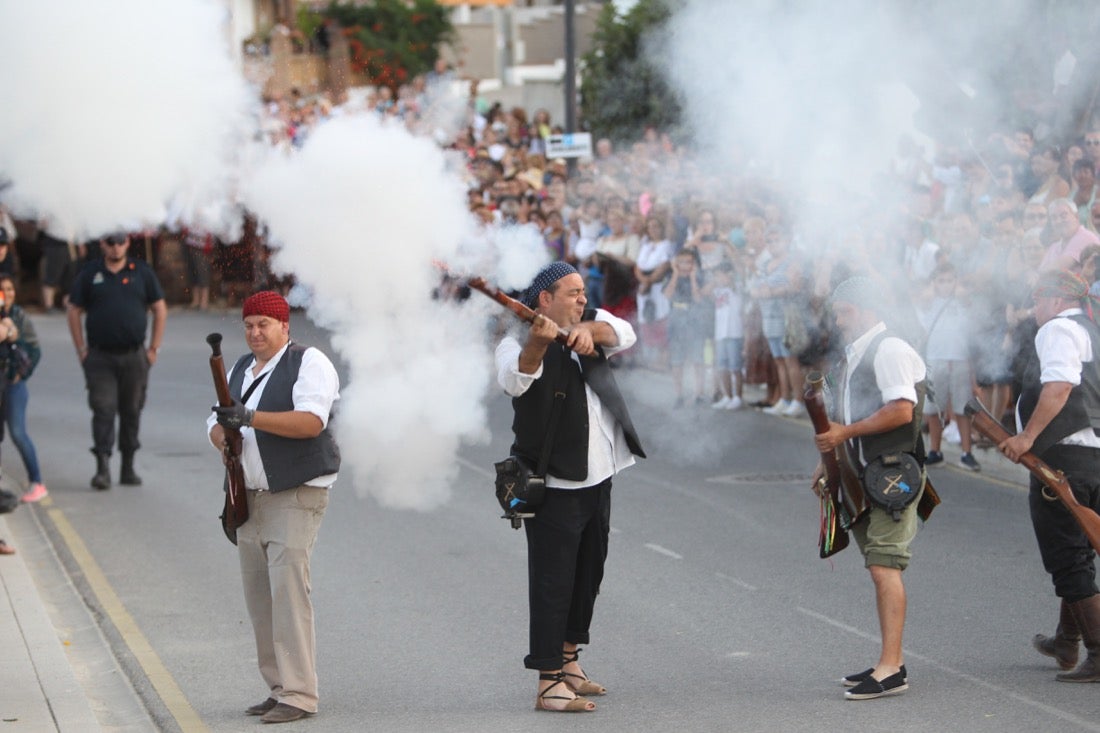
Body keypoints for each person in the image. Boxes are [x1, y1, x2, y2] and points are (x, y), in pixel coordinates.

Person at [495, 262, 644, 713]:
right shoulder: (515, 340)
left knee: (588, 573)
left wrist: (588, 333)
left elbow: (624, 332)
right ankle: (547, 681)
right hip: (555, 482)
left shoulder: (587, 321)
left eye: (583, 291)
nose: (582, 298)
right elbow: (514, 379)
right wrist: (541, 342)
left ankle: (569, 660)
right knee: (552, 581)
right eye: (573, 292)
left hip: (599, 473)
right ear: (544, 299)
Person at [206, 291, 340, 724]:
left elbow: (310, 422)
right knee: (260, 599)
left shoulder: (309, 362)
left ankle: (301, 694)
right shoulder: (243, 367)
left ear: (285, 326)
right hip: (251, 495)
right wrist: (224, 435)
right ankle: (279, 687)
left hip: (295, 493)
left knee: (288, 595)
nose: (255, 332)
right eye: (248, 325)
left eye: (264, 324)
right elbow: (215, 421)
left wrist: (248, 419)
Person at [812, 276, 928, 701]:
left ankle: (891, 667)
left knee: (885, 566)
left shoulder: (890, 348)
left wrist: (844, 435)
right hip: (869, 476)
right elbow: (845, 417)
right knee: (880, 566)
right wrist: (828, 463)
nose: (839, 321)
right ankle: (889, 659)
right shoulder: (858, 352)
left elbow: (900, 410)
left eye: (844, 312)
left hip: (892, 476)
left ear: (865, 309)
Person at [998, 270, 1100, 682]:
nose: (1034, 309)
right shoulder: (1091, 328)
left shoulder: (1058, 328)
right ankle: (1066, 640)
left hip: (1063, 459)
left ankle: (1098, 651)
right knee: (1080, 549)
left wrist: (1026, 437)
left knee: (1067, 557)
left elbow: (1058, 387)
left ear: (1057, 300)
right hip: (1092, 456)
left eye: (1038, 300)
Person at [67, 233, 167, 490]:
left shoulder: (141, 271)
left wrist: (154, 347)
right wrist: (81, 349)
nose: (115, 247)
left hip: (134, 354)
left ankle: (128, 465)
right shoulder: (91, 272)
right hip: (100, 355)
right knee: (103, 408)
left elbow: (160, 308)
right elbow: (73, 309)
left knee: (132, 409)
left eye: (120, 242)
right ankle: (102, 467)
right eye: (110, 242)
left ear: (127, 243)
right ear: (102, 244)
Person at [0, 275, 46, 502]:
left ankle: (36, 481)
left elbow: (35, 350)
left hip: (14, 384)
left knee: (18, 432)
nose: (6, 293)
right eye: (2, 290)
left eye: (10, 289)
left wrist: (21, 374)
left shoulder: (19, 316)